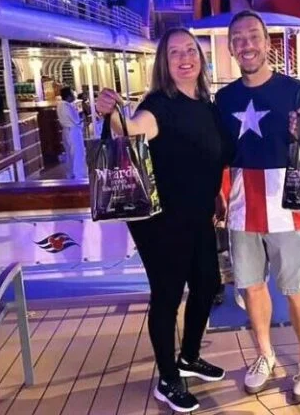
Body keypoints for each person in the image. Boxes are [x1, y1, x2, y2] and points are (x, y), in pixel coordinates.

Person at [94, 27, 230, 413]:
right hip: (161, 221)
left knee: (207, 284)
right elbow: (132, 131)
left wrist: (216, 194)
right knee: (168, 297)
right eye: (175, 53)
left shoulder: (207, 103)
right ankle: (168, 379)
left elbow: (204, 154)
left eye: (191, 50)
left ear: (200, 58)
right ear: (164, 64)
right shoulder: (158, 104)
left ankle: (188, 356)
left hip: (199, 214)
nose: (185, 58)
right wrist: (112, 113)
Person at [214, 10, 300, 402]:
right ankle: (264, 353)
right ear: (231, 47)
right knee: (253, 285)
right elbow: (218, 154)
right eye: (239, 39)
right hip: (243, 206)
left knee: (296, 288)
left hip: (287, 202)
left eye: (253, 37)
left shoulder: (296, 91)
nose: (247, 45)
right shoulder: (223, 98)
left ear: (267, 42)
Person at [56, 87, 87, 180]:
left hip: (68, 131)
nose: (74, 95)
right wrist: (82, 120)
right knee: (77, 153)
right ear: (69, 96)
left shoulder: (62, 105)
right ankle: (79, 175)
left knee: (70, 154)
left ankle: (72, 174)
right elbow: (75, 120)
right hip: (72, 131)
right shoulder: (66, 106)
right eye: (73, 94)